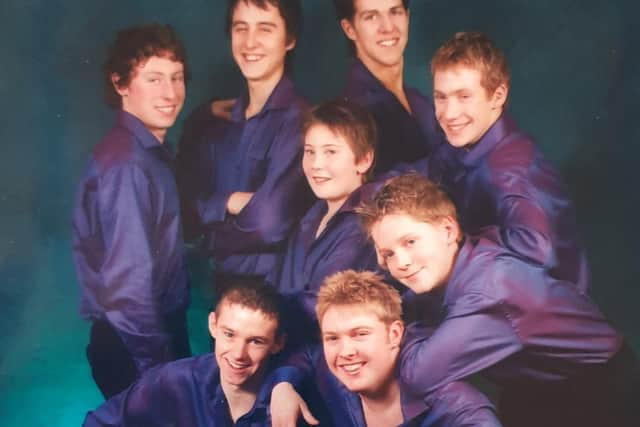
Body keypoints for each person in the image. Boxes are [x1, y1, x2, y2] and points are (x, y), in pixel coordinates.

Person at [358, 173, 639, 427]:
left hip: (600, 389)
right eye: (389, 254)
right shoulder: (458, 260)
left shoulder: (487, 291)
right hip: (533, 383)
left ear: (448, 230)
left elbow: (419, 375)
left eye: (410, 242)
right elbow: (409, 306)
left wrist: (391, 336)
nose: (401, 263)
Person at [72, 23, 191, 399]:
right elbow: (129, 290)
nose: (170, 93)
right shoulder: (127, 165)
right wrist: (161, 375)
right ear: (121, 84)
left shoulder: (147, 154)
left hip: (146, 334)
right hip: (137, 344)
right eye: (154, 79)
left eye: (176, 77)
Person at [425, 31, 589, 292]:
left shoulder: (511, 172)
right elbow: (430, 168)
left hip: (543, 311)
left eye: (464, 96)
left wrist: (455, 241)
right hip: (495, 289)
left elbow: (536, 249)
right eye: (440, 97)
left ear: (498, 96)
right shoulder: (469, 140)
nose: (449, 113)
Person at [176, 0, 311, 279]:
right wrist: (229, 201)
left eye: (265, 29)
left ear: (290, 39)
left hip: (272, 302)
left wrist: (212, 218)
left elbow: (268, 224)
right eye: (241, 28)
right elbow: (182, 212)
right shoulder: (219, 124)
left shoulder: (299, 122)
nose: (250, 42)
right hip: (222, 298)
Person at [270, 270, 502, 427]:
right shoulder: (334, 373)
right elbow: (306, 356)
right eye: (332, 338)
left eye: (360, 334)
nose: (345, 351)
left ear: (394, 334)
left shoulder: (451, 401)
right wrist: (283, 385)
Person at [83, 278, 295, 426]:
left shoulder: (290, 401)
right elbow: (100, 421)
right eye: (229, 334)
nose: (238, 354)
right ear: (213, 325)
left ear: (278, 343)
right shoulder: (177, 379)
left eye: (256, 341)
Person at [268, 99, 380, 348]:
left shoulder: (364, 226)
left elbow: (318, 306)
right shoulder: (313, 214)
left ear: (364, 160)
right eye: (310, 151)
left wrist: (262, 315)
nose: (316, 164)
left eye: (331, 151)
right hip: (289, 346)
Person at [332, 0, 442, 175]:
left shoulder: (419, 101)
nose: (388, 27)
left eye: (395, 12)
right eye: (371, 17)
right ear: (349, 29)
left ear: (407, 17)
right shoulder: (352, 113)